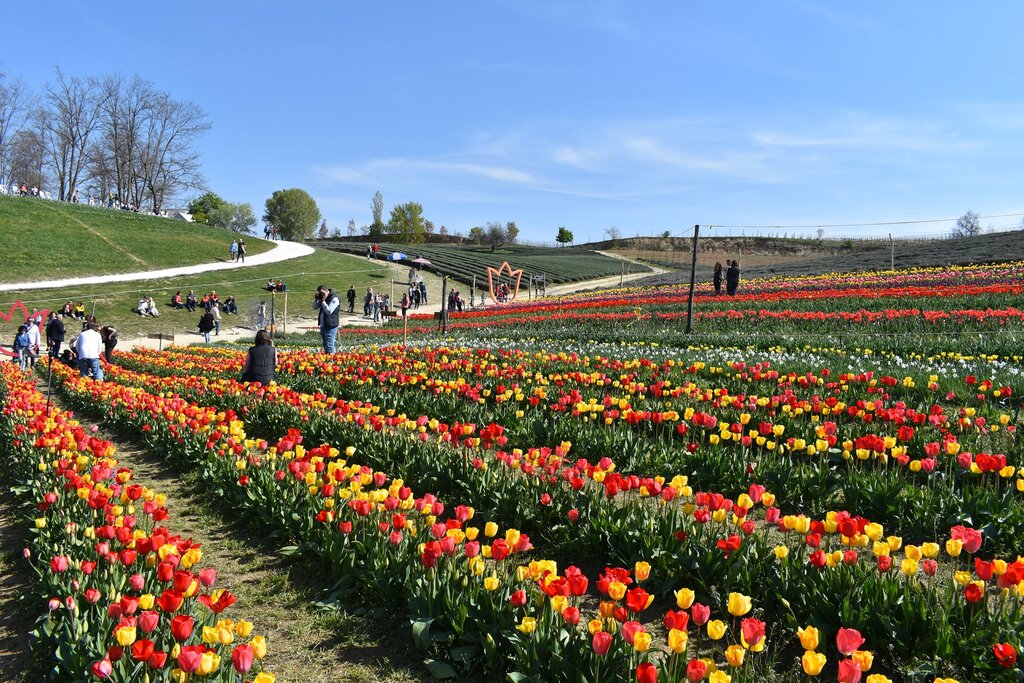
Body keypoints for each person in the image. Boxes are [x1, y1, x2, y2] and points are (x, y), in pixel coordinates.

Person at [313, 285, 341, 354]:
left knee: (330, 345)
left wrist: (323, 301)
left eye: (323, 293)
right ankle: (327, 360)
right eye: (320, 293)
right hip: (323, 324)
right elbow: (314, 307)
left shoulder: (334, 299)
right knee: (325, 345)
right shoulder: (323, 298)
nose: (322, 294)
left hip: (330, 325)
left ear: (326, 290)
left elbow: (329, 311)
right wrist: (317, 299)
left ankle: (332, 361)